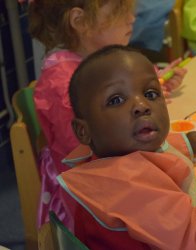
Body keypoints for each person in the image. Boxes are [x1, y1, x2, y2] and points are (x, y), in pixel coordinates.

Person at [57, 44, 196, 249]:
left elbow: (146, 152)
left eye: (150, 94)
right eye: (116, 100)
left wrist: (185, 143)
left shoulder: (107, 151)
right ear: (83, 131)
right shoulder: (131, 188)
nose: (142, 106)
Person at [27, 0, 186, 231]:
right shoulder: (61, 83)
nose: (132, 19)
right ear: (79, 21)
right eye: (120, 13)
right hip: (94, 199)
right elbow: (96, 155)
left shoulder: (96, 60)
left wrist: (155, 85)